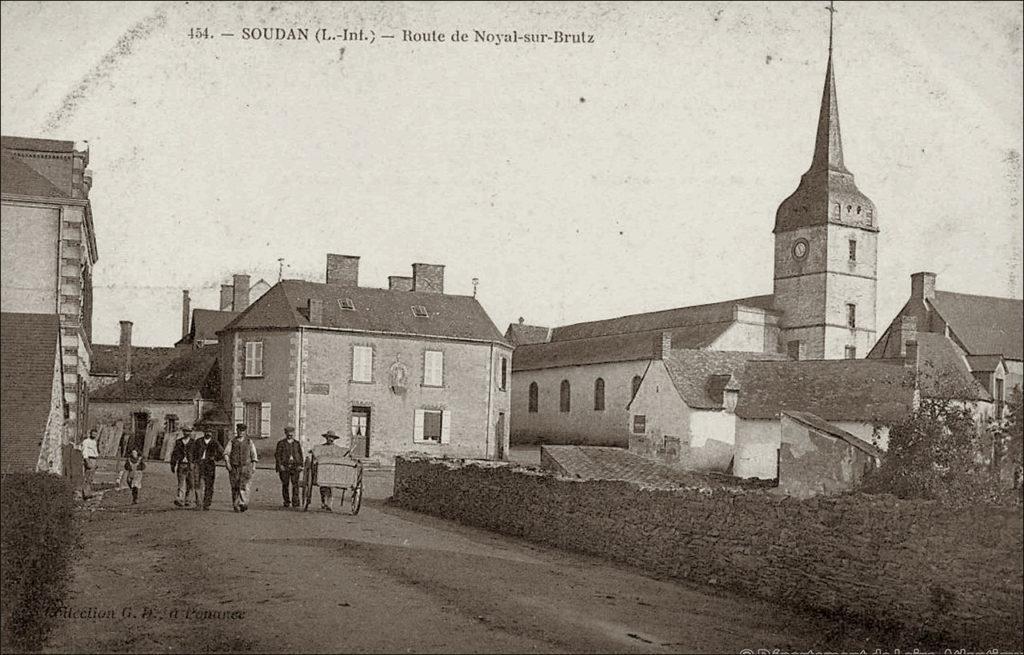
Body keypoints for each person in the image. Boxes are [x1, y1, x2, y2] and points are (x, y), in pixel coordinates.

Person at [310, 430, 351, 511]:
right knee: (322, 486)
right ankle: (323, 502)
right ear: (326, 438)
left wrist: (348, 452)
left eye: (332, 438)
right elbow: (316, 453)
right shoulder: (321, 448)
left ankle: (329, 504)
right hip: (323, 470)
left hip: (333, 471)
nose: (330, 439)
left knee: (330, 487)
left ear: (334, 439)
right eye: (329, 437)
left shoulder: (337, 448)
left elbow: (343, 453)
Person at [224, 423, 259, 513]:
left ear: (245, 431)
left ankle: (243, 503)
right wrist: (227, 463)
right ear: (237, 431)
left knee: (245, 486)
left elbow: (253, 454)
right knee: (235, 486)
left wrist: (254, 466)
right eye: (239, 430)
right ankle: (236, 505)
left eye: (243, 431)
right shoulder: (232, 441)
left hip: (246, 467)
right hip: (234, 467)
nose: (241, 432)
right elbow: (226, 453)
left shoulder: (249, 441)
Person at [189, 429, 223, 511]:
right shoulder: (198, 441)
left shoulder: (215, 443)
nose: (208, 433)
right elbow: (191, 452)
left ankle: (207, 504)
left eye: (210, 432)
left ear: (212, 434)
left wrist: (215, 458)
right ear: (204, 433)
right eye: (207, 432)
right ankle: (198, 503)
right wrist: (192, 462)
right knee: (197, 483)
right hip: (199, 464)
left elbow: (222, 452)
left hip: (210, 465)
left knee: (209, 485)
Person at [274, 426, 303, 509]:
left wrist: (300, 465)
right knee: (285, 484)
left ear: (293, 434)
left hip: (295, 466)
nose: (290, 435)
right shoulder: (281, 443)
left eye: (291, 434)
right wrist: (280, 466)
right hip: (284, 467)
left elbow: (300, 455)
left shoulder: (297, 444)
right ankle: (286, 501)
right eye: (288, 434)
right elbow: (277, 456)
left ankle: (295, 501)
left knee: (295, 484)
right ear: (285, 433)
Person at [169, 427, 196, 507]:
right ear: (183, 432)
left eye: (188, 431)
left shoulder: (193, 443)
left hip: (190, 465)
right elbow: (174, 454)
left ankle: (188, 500)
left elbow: (196, 454)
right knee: (181, 482)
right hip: (181, 464)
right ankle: (180, 499)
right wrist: (173, 464)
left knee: (190, 483)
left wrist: (194, 464)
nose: (186, 433)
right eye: (185, 431)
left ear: (190, 432)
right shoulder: (179, 442)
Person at [80, 429, 100, 500]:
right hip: (89, 459)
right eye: (93, 434)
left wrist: (96, 462)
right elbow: (84, 451)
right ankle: (85, 493)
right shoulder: (86, 441)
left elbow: (95, 452)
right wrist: (87, 461)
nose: (94, 435)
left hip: (94, 459)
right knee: (87, 477)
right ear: (90, 434)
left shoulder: (94, 442)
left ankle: (89, 492)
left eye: (95, 434)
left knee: (91, 478)